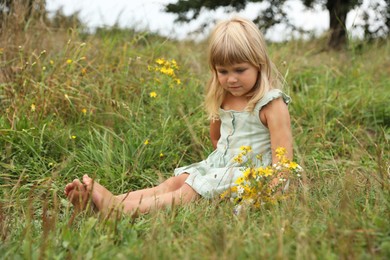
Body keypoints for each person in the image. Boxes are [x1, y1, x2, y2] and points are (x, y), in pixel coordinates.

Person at [64, 17, 293, 217]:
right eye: (223, 71)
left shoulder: (271, 104)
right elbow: (216, 140)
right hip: (223, 167)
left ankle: (121, 211)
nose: (231, 79)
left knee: (189, 190)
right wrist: (220, 167)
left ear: (259, 64)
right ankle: (109, 201)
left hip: (254, 177)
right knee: (176, 181)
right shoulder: (224, 97)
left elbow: (283, 163)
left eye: (239, 70)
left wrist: (265, 193)